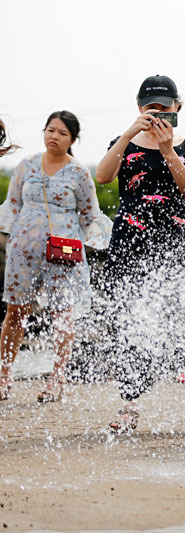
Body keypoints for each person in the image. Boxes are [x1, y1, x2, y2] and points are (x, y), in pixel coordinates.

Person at [96, 75, 185, 434]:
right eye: (150, 107)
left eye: (164, 107)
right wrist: (127, 136)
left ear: (177, 108)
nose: (158, 114)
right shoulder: (122, 143)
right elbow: (103, 176)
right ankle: (129, 407)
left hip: (181, 249)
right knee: (129, 325)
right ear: (139, 108)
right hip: (131, 248)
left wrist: (168, 149)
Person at [0, 111, 111, 402]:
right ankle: (4, 377)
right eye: (50, 130)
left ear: (73, 139)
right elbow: (12, 205)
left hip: (62, 254)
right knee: (15, 313)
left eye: (62, 133)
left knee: (62, 315)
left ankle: (56, 380)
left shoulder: (78, 172)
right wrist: (9, 240)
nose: (54, 137)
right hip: (23, 251)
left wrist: (85, 246)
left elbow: (90, 215)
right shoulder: (26, 165)